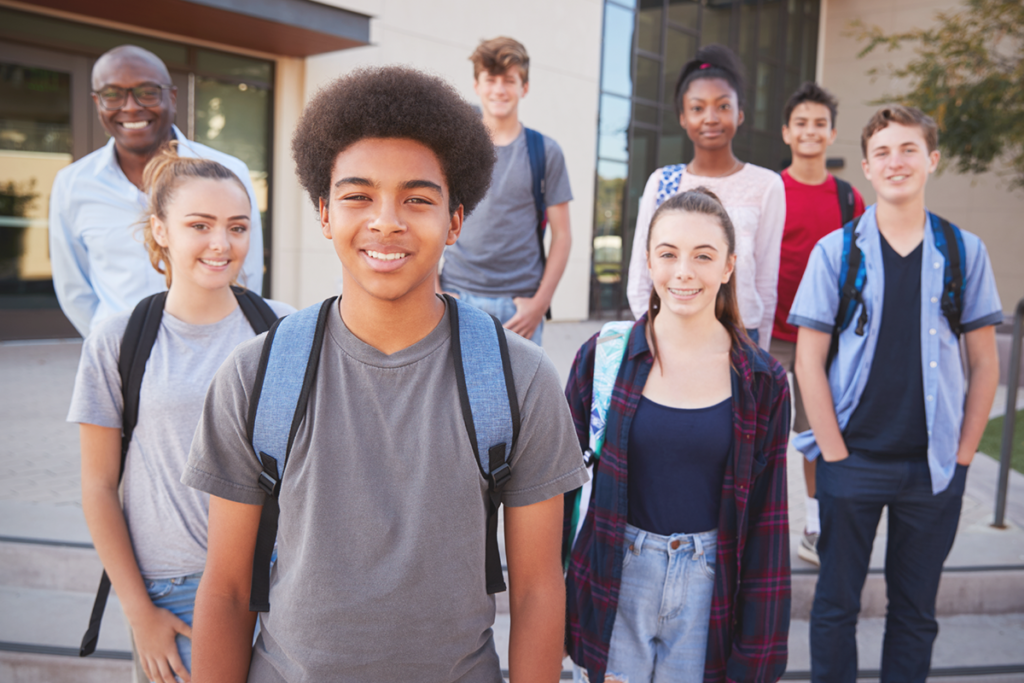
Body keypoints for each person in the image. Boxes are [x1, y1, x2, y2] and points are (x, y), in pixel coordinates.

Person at [182, 66, 588, 682]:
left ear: (455, 220)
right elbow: (227, 588)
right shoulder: (256, 376)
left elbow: (536, 589)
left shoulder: (518, 379)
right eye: (358, 195)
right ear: (323, 212)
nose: (387, 221)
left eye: (418, 199)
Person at [790, 105, 1002, 683]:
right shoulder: (837, 253)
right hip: (851, 461)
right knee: (835, 608)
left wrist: (962, 456)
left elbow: (985, 363)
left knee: (915, 614)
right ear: (866, 167)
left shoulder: (964, 252)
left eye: (909, 149)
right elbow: (808, 359)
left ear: (932, 160)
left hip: (932, 470)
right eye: (882, 152)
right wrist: (832, 453)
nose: (896, 161)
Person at [68, 144, 293, 683]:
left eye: (237, 228)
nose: (222, 244)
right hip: (176, 591)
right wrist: (139, 610)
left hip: (281, 583)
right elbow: (99, 487)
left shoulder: (284, 329)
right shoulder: (118, 340)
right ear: (161, 230)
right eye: (200, 225)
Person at [565, 188, 791, 683]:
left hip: (709, 586)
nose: (683, 271)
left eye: (703, 256)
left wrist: (758, 650)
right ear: (647, 260)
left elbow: (768, 522)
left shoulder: (762, 380)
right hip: (616, 577)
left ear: (729, 265)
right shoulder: (604, 357)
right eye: (668, 254)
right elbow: (557, 492)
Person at [49, 44, 265, 338]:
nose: (130, 107)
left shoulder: (227, 172)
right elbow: (73, 287)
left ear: (172, 97)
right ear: (97, 103)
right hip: (120, 359)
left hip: (213, 349)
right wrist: (111, 346)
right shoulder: (72, 184)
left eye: (147, 92)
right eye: (112, 94)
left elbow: (245, 275)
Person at [626, 45, 785, 351]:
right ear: (683, 117)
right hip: (671, 334)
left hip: (742, 335)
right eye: (698, 108)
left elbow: (765, 282)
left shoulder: (767, 185)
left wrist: (760, 350)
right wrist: (652, 336)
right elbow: (640, 276)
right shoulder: (663, 182)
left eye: (723, 106)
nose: (710, 118)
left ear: (740, 114)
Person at [772, 82, 865, 566]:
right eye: (801, 123)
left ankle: (814, 527)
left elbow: (862, 269)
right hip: (769, 332)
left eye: (819, 124)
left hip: (823, 338)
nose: (810, 131)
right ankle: (756, 529)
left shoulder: (849, 199)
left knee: (816, 435)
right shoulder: (771, 189)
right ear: (787, 132)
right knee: (758, 435)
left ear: (832, 134)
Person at [438, 36, 573, 346]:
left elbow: (563, 236)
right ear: (477, 85)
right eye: (491, 79)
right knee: (454, 395)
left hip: (519, 306)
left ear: (524, 87)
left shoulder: (545, 152)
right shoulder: (455, 150)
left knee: (518, 395)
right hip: (457, 296)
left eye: (509, 80)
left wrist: (540, 304)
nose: (499, 89)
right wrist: (435, 289)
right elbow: (433, 216)